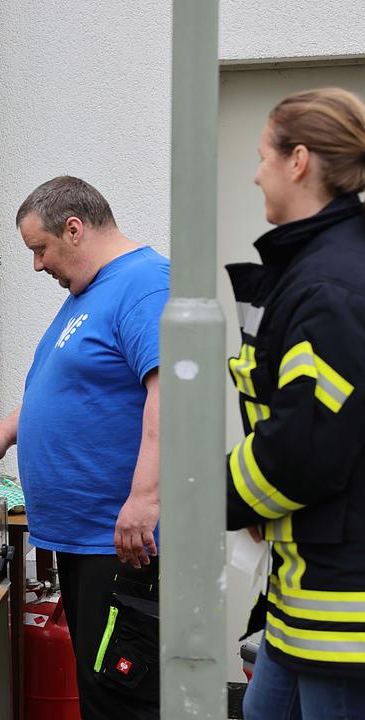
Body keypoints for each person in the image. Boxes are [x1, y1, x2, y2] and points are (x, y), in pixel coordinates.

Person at [0, 176, 168, 719]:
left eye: (40, 249)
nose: (37, 265)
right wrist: (4, 433)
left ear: (74, 229)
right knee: (99, 693)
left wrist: (145, 498)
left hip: (119, 542)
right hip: (85, 539)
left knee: (123, 699)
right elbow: (70, 390)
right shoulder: (89, 294)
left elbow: (171, 392)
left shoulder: (145, 284)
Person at [224, 88, 365, 720]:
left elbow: (304, 450)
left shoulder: (331, 284)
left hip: (342, 605)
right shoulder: (321, 266)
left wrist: (215, 496)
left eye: (264, 157)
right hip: (305, 585)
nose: (257, 174)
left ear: (299, 160)